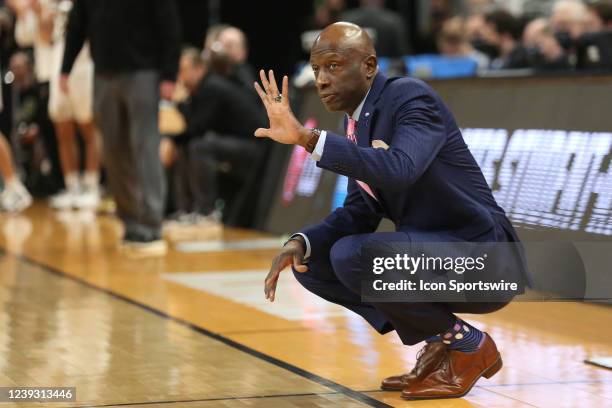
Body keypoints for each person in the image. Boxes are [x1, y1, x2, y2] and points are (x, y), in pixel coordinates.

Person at [253, 22, 529, 400]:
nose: (321, 80)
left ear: (369, 65)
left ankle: (468, 345)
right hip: (438, 255)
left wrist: (307, 138)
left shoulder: (411, 98)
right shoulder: (355, 123)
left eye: (333, 66)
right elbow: (357, 212)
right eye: (316, 70)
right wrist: (301, 242)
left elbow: (400, 168)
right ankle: (439, 339)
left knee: (356, 256)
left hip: (486, 258)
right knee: (315, 264)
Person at [60, 0, 181, 255]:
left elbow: (169, 25)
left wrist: (169, 74)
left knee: (144, 147)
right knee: (113, 151)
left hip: (143, 71)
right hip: (103, 72)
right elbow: (77, 25)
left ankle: (151, 225)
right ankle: (130, 222)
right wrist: (65, 68)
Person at [15, 0, 100, 210]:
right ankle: (72, 187)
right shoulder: (48, 4)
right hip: (58, 65)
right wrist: (39, 13)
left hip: (85, 64)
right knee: (63, 129)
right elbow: (46, 37)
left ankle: (92, 186)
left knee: (89, 127)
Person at [171, 48, 266, 222]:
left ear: (199, 69)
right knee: (186, 146)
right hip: (235, 142)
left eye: (183, 70)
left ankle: (206, 212)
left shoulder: (211, 88)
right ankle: (186, 211)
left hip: (255, 147)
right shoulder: (201, 89)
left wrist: (179, 103)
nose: (179, 76)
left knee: (199, 146)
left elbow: (196, 128)